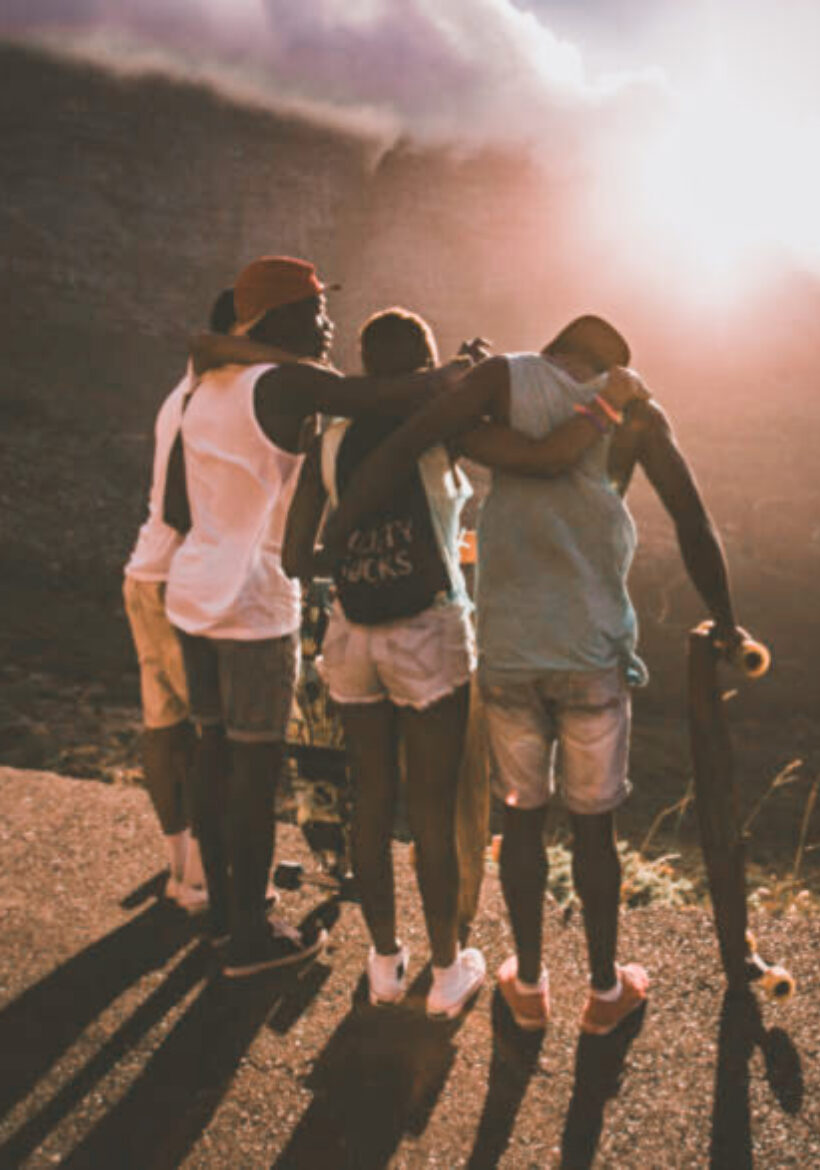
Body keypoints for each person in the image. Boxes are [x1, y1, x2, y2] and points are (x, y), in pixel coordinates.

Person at [320, 315, 742, 1036]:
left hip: (510, 649)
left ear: (553, 353)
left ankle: (528, 984)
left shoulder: (503, 384)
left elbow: (422, 432)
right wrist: (727, 620)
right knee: (594, 829)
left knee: (520, 818)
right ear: (607, 366)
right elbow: (693, 519)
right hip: (591, 651)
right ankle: (606, 992)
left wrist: (337, 534)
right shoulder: (632, 406)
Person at [282, 308, 647, 1018]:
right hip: (426, 630)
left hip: (352, 632)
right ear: (427, 370)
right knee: (434, 805)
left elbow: (296, 557)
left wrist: (346, 558)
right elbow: (539, 459)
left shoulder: (327, 438)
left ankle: (385, 962)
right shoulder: (439, 433)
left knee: (371, 796)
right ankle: (448, 971)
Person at [167, 256, 471, 978]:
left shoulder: (204, 387)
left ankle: (220, 918)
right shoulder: (285, 380)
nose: (328, 322)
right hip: (251, 604)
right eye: (313, 309)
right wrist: (465, 372)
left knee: (211, 753)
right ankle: (251, 936)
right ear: (275, 319)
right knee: (254, 764)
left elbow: (180, 506)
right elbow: (391, 396)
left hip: (195, 593)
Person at [122, 287, 235, 914]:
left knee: (164, 727)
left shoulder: (185, 389)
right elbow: (182, 508)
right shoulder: (209, 396)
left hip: (145, 571)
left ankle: (181, 869)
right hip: (176, 582)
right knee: (204, 735)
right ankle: (200, 879)